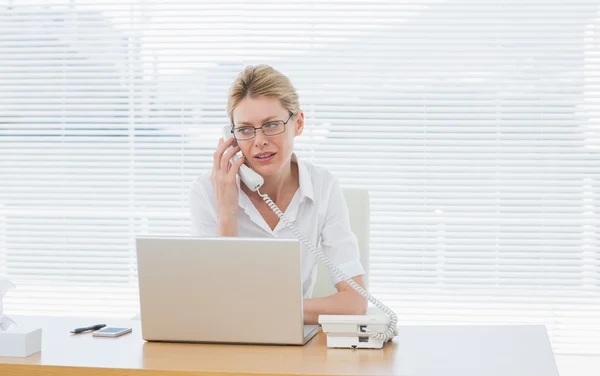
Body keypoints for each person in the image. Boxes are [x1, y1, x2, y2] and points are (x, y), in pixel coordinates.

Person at [189, 64, 367, 324]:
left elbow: (354, 302)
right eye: (246, 129)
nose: (259, 140)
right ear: (232, 136)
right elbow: (215, 306)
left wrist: (259, 310)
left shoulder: (323, 187)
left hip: (294, 344)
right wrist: (227, 213)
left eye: (271, 125)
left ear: (299, 123)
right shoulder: (207, 191)